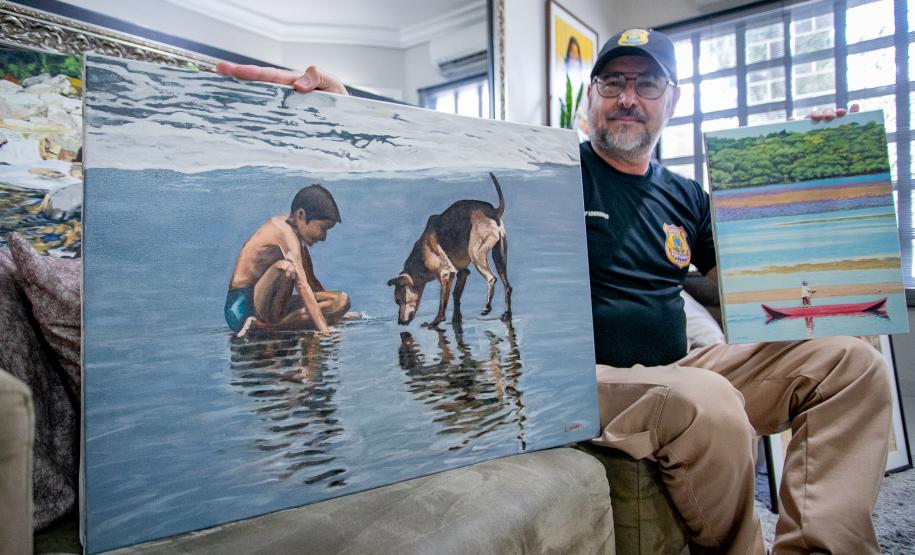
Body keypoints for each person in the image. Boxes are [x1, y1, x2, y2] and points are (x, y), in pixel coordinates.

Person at [216, 30, 892, 553]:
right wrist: (349, 102)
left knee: (851, 360)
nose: (628, 97)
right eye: (613, 82)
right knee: (705, 398)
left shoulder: (685, 195)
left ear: (671, 100)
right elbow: (442, 147)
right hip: (582, 377)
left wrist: (821, 163)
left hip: (679, 368)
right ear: (591, 97)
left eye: (646, 84)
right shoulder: (552, 169)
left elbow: (759, 271)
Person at [225, 184, 351, 336]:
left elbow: (312, 284)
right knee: (286, 269)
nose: (324, 237)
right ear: (301, 215)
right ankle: (260, 326)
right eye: (322, 228)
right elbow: (302, 286)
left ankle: (266, 325)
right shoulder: (283, 232)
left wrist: (334, 312)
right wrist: (324, 330)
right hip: (242, 307)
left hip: (272, 305)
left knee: (341, 300)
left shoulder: (298, 239)